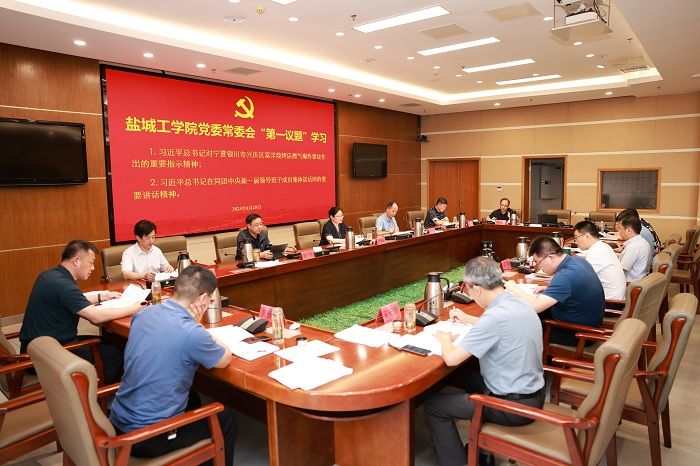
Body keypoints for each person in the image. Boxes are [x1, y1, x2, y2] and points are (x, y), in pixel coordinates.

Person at [110, 265, 236, 465]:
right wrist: (198, 325)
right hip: (148, 436)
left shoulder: (144, 314)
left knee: (192, 398)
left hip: (118, 422)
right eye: (210, 300)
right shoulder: (191, 332)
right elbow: (225, 358)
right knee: (225, 418)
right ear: (203, 299)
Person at [424, 257, 545, 466]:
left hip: (513, 407)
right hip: (533, 394)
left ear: (477, 289)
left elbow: (451, 359)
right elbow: (500, 325)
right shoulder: (518, 303)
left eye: (468, 289)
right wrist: (467, 319)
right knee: (467, 377)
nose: (469, 294)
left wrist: (444, 339)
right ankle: (483, 453)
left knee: (434, 405)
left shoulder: (494, 317)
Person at [20, 240, 144, 384]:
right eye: (91, 263)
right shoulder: (65, 286)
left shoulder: (48, 276)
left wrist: (103, 296)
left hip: (35, 348)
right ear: (76, 260)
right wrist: (136, 307)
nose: (93, 268)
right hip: (48, 355)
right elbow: (97, 317)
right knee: (116, 353)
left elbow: (70, 299)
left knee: (113, 341)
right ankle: (98, 394)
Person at [504, 235, 605, 346]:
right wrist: (550, 289)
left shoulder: (566, 276)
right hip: (586, 322)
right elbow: (573, 288)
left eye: (538, 262)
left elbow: (536, 307)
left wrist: (514, 288)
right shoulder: (576, 260)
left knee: (520, 326)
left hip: (578, 333)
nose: (539, 266)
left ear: (550, 257)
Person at [573, 220, 626, 300]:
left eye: (576, 237)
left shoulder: (597, 252)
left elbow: (579, 278)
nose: (575, 242)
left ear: (587, 236)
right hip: (611, 297)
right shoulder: (602, 246)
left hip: (609, 302)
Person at [615, 212, 651, 281]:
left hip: (630, 283)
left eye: (620, 228)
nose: (618, 231)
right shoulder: (642, 241)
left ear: (629, 230)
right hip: (640, 279)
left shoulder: (633, 247)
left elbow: (621, 272)